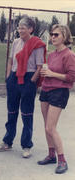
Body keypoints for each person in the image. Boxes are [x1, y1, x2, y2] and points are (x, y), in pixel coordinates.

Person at [0, 16, 46, 158]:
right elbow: (11, 60)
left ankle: (26, 145)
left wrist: (32, 82)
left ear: (31, 29)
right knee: (11, 112)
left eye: (23, 27)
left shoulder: (37, 44)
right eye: (19, 27)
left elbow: (39, 67)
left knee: (26, 114)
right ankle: (7, 142)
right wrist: (8, 77)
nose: (20, 30)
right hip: (14, 78)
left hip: (28, 79)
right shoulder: (16, 42)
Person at [37, 24, 75, 174]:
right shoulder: (51, 55)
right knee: (46, 125)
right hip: (46, 90)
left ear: (64, 37)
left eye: (56, 35)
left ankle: (62, 161)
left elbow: (72, 77)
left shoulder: (69, 55)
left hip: (59, 92)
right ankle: (51, 155)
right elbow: (48, 72)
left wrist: (53, 74)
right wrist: (44, 74)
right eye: (52, 34)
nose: (52, 37)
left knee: (50, 127)